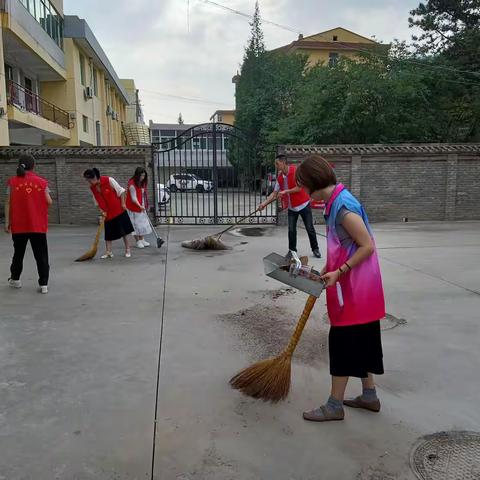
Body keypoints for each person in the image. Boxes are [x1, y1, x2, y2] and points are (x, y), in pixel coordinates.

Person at [295, 154, 385, 423]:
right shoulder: (333, 202)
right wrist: (328, 269)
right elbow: (345, 246)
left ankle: (335, 405)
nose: (300, 188)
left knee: (343, 344)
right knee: (363, 341)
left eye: (301, 183)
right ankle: (369, 396)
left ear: (311, 182)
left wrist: (341, 271)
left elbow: (367, 245)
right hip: (358, 289)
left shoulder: (343, 206)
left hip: (356, 291)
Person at [4, 154, 52, 294]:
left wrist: (7, 222)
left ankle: (15, 279)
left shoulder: (12, 182)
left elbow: (8, 202)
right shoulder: (42, 182)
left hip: (19, 226)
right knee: (41, 255)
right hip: (37, 225)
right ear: (34, 166)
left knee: (18, 253)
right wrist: (37, 208)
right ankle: (44, 284)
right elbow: (49, 202)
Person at [258, 154, 321, 259]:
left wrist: (285, 191)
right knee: (291, 230)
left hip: (303, 204)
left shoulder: (296, 171)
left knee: (309, 228)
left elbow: (299, 187)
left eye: (277, 164)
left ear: (283, 163)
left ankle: (315, 249)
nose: (276, 166)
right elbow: (274, 193)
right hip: (292, 207)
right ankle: (292, 251)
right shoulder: (279, 177)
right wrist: (263, 204)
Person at [83, 168, 134, 258]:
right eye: (87, 180)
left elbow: (121, 191)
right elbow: (96, 201)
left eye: (89, 180)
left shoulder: (109, 180)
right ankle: (109, 252)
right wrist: (101, 211)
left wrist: (122, 203)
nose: (89, 182)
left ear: (95, 177)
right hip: (107, 213)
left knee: (124, 231)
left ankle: (128, 250)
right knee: (108, 233)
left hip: (118, 209)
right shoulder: (92, 188)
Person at [126, 167, 153, 249]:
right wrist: (140, 206)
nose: (143, 177)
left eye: (144, 175)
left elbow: (143, 195)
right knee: (135, 225)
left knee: (141, 224)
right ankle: (138, 241)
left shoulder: (142, 183)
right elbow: (134, 198)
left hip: (141, 205)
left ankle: (142, 239)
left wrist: (144, 205)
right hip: (133, 207)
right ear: (137, 175)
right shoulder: (132, 184)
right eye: (141, 176)